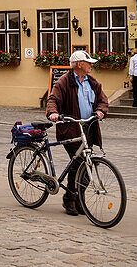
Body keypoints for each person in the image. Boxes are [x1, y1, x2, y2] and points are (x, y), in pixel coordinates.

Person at [46, 50, 109, 216]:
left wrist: (101, 111)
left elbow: (103, 100)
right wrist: (53, 113)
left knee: (88, 164)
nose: (91, 65)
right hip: (71, 129)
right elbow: (53, 99)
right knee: (79, 164)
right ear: (79, 64)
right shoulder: (64, 82)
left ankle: (79, 198)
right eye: (88, 63)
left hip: (88, 128)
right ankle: (70, 199)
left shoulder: (92, 82)